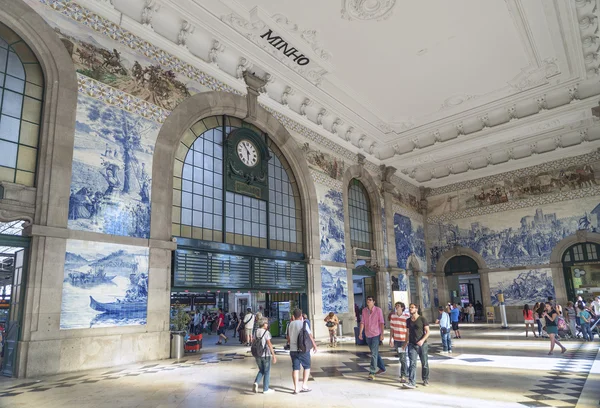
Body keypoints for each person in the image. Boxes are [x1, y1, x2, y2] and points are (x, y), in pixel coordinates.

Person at [287, 308, 317, 394]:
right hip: (303, 349)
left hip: (293, 349)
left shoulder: (290, 324)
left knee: (295, 368)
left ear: (293, 316)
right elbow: (310, 336)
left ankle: (296, 388)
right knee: (307, 367)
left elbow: (288, 338)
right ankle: (304, 385)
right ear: (301, 316)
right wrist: (314, 345)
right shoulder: (304, 324)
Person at [403, 303, 430, 389]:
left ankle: (425, 379)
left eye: (412, 307)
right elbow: (407, 332)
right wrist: (405, 342)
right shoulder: (408, 320)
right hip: (412, 344)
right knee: (412, 363)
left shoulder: (422, 319)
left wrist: (422, 340)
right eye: (410, 308)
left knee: (424, 363)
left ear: (416, 309)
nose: (410, 309)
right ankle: (412, 382)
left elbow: (428, 332)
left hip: (422, 344)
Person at [359, 296, 386, 380]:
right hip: (368, 334)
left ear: (374, 302)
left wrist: (382, 334)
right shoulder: (364, 311)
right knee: (375, 352)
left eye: (370, 300)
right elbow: (362, 322)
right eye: (367, 300)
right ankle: (382, 367)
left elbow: (381, 322)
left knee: (373, 354)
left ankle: (372, 372)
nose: (368, 301)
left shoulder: (378, 310)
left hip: (376, 334)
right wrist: (360, 333)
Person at [252, 318, 277, 394]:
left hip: (257, 354)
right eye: (266, 323)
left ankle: (256, 382)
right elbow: (269, 344)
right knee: (266, 371)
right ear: (263, 324)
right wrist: (273, 355)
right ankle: (265, 389)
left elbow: (253, 341)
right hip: (265, 354)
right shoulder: (266, 332)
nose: (267, 324)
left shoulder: (255, 331)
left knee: (261, 370)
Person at [389, 302, 409, 382]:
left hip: (403, 340)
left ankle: (403, 375)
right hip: (396, 340)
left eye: (398, 306)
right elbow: (392, 328)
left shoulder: (406, 317)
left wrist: (407, 340)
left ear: (402, 308)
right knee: (401, 358)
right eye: (396, 306)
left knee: (403, 358)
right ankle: (406, 371)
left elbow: (408, 329)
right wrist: (391, 339)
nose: (397, 307)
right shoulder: (393, 316)